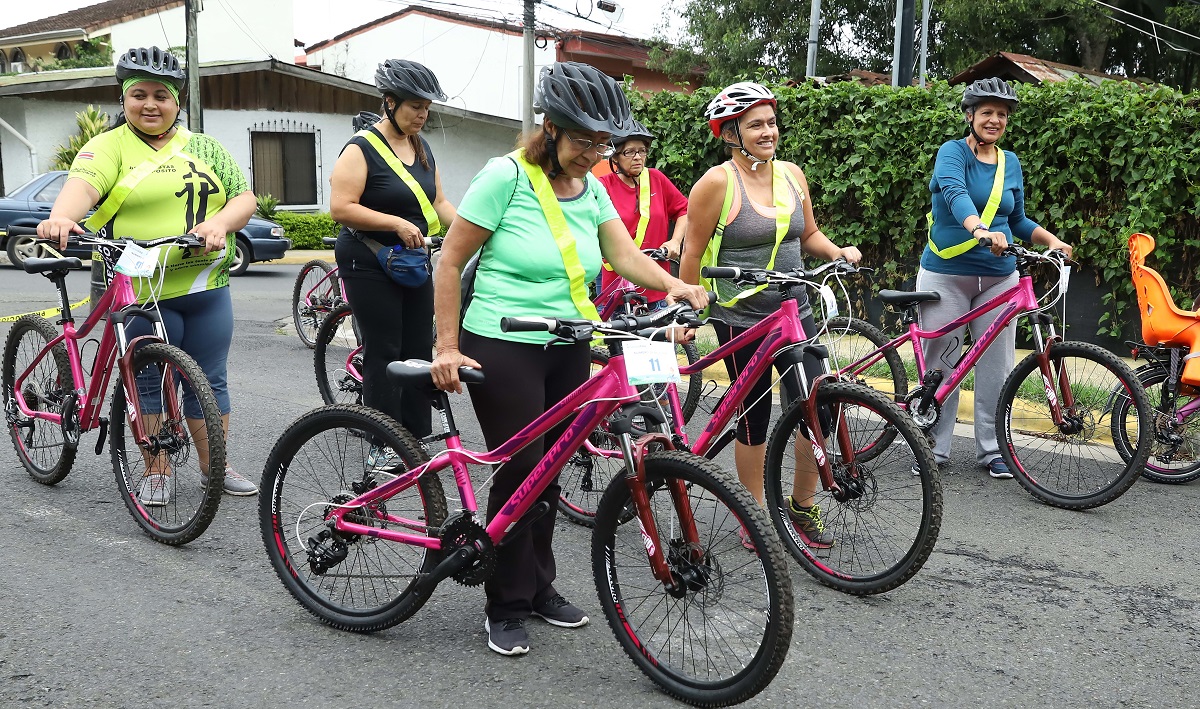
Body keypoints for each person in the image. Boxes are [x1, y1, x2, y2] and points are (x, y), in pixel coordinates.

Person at [429, 61, 708, 657]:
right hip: (502, 339)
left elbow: (624, 255)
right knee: (524, 468)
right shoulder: (503, 177)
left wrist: (675, 286)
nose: (595, 152)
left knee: (553, 467)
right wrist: (446, 345)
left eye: (603, 142)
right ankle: (504, 603)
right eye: (584, 140)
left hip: (568, 341)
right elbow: (449, 261)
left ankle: (538, 587)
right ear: (550, 128)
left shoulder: (593, 189)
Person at [38, 46, 258, 503]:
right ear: (124, 99)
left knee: (210, 377)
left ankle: (213, 465)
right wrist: (61, 216)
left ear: (178, 101)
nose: (150, 104)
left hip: (206, 284)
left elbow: (244, 198)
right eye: (139, 95)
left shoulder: (205, 147)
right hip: (140, 287)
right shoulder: (107, 146)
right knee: (149, 379)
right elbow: (83, 186)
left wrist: (220, 222)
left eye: (162, 95)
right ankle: (155, 469)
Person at [679, 81, 861, 549]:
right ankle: (755, 514)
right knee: (754, 417)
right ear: (730, 133)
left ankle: (801, 507)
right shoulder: (717, 183)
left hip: (794, 310)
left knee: (819, 405)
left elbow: (809, 235)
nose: (768, 131)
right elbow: (692, 253)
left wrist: (838, 250)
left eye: (771, 122)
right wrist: (686, 307)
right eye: (755, 124)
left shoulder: (793, 175)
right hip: (741, 318)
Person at [919, 77, 1072, 479]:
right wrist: (979, 230)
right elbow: (955, 195)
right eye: (986, 112)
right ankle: (933, 447)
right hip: (946, 274)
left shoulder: (1011, 162)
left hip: (1000, 278)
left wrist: (1051, 239)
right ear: (970, 115)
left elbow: (1017, 219)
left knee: (996, 366)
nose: (994, 120)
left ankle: (993, 449)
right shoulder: (951, 153)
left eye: (1001, 114)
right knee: (943, 362)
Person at [329, 60, 456, 451]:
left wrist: (472, 235)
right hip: (367, 259)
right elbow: (341, 206)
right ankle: (383, 442)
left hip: (413, 262)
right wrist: (395, 223)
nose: (422, 114)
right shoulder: (361, 148)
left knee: (418, 347)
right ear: (389, 102)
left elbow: (438, 201)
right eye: (414, 106)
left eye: (427, 107)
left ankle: (415, 438)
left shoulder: (422, 147)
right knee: (385, 349)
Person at [596, 120, 689, 310]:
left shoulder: (657, 179)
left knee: (662, 339)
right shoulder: (602, 186)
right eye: (629, 152)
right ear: (614, 157)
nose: (638, 157)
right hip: (616, 289)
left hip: (658, 289)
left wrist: (675, 241)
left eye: (642, 151)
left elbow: (684, 210)